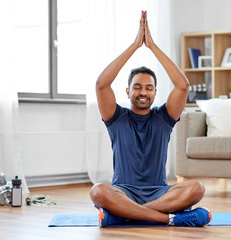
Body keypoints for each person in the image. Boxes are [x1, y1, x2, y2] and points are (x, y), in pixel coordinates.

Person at [90, 10, 211, 227]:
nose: (143, 92)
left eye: (149, 88)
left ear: (155, 92)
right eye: (137, 87)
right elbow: (101, 84)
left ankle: (122, 216)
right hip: (123, 191)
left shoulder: (164, 117)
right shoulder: (115, 117)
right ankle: (171, 219)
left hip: (160, 193)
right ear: (127, 92)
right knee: (98, 191)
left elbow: (183, 86)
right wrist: (136, 45)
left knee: (197, 188)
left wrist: (152, 46)